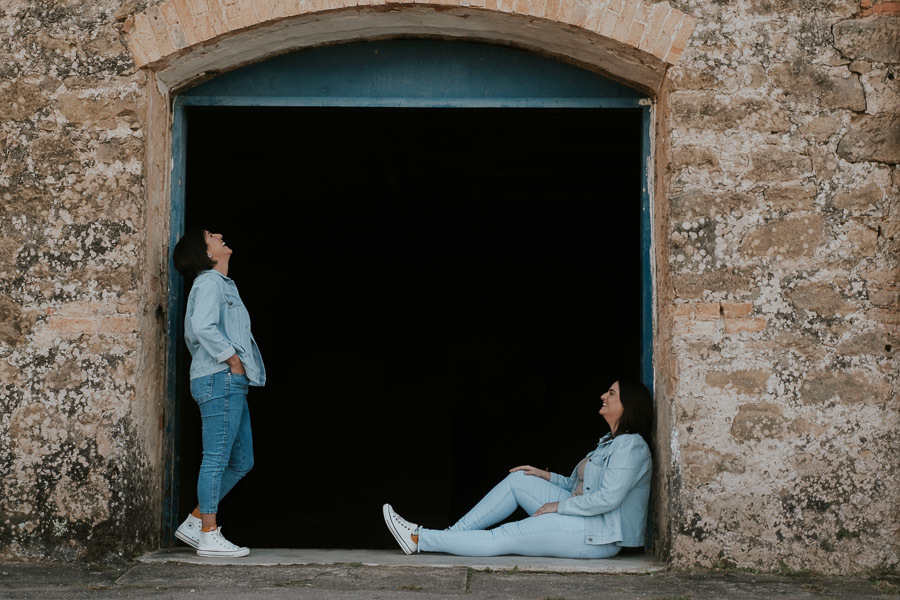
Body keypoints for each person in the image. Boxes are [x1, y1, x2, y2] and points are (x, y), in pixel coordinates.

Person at [383, 379, 652, 559]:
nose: (603, 396)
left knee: (505, 535)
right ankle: (451, 537)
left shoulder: (631, 447)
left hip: (598, 534)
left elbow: (608, 499)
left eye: (611, 393)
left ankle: (419, 538)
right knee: (519, 479)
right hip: (582, 515)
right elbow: (578, 487)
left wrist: (559, 507)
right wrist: (546, 476)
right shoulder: (608, 443)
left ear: (628, 405)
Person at [171, 227, 266, 558]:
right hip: (220, 377)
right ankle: (209, 535)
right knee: (216, 457)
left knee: (242, 460)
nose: (219, 234)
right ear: (207, 253)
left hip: (226, 379)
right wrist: (232, 360)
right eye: (211, 236)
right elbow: (202, 327)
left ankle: (196, 521)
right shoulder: (210, 283)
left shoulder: (221, 284)